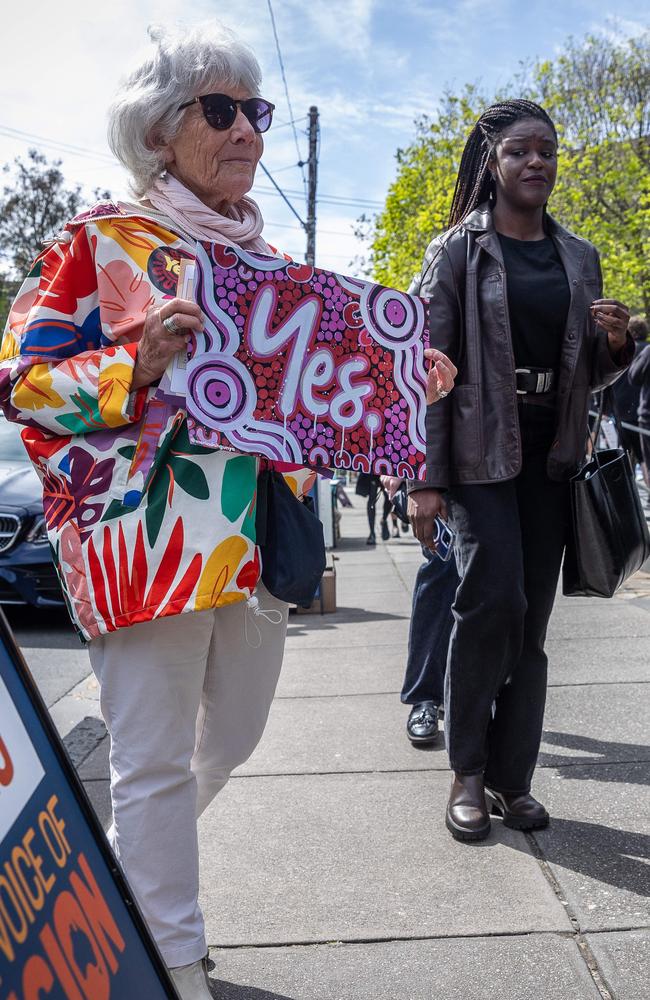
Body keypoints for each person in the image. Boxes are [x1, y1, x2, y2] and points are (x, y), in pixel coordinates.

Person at [0, 22, 456, 997]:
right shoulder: (99, 241)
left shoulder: (265, 260)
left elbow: (323, 389)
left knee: (236, 734)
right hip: (143, 534)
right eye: (222, 110)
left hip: (255, 539)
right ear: (161, 130)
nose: (248, 130)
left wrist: (403, 379)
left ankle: (123, 879)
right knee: (152, 757)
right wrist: (136, 364)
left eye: (256, 111)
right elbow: (24, 385)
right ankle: (169, 958)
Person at [407, 99, 632, 842]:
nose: (537, 162)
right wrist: (424, 479)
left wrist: (616, 349)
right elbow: (427, 374)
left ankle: (513, 779)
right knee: (490, 598)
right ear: (492, 163)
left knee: (533, 620)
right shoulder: (456, 252)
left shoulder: (579, 256)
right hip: (477, 452)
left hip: (553, 454)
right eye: (520, 151)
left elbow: (586, 377)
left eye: (548, 150)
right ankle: (467, 770)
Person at [604, 314, 648, 467]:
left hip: (621, 409)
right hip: (641, 411)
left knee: (623, 455)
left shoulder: (623, 349)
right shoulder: (646, 350)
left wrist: (604, 409)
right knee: (644, 460)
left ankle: (628, 489)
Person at [628, 316, 650, 496]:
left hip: (643, 415)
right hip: (638, 413)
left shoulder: (645, 351)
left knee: (643, 459)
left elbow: (634, 377)